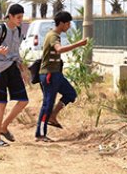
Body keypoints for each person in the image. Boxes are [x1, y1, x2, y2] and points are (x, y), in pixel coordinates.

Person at [35, 11, 88, 142]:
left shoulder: (55, 35)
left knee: (70, 94)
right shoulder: (53, 36)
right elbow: (59, 49)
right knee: (48, 103)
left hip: (56, 74)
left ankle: (53, 115)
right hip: (49, 74)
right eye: (68, 24)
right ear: (62, 23)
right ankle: (40, 134)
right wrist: (78, 44)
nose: (69, 26)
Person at [0, 3, 30, 147]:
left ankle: (4, 126)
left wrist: (23, 70)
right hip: (0, 69)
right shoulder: (0, 29)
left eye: (22, 17)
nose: (20, 20)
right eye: (18, 17)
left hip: (13, 67)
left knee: (23, 100)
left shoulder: (18, 31)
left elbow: (16, 52)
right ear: (10, 16)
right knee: (1, 104)